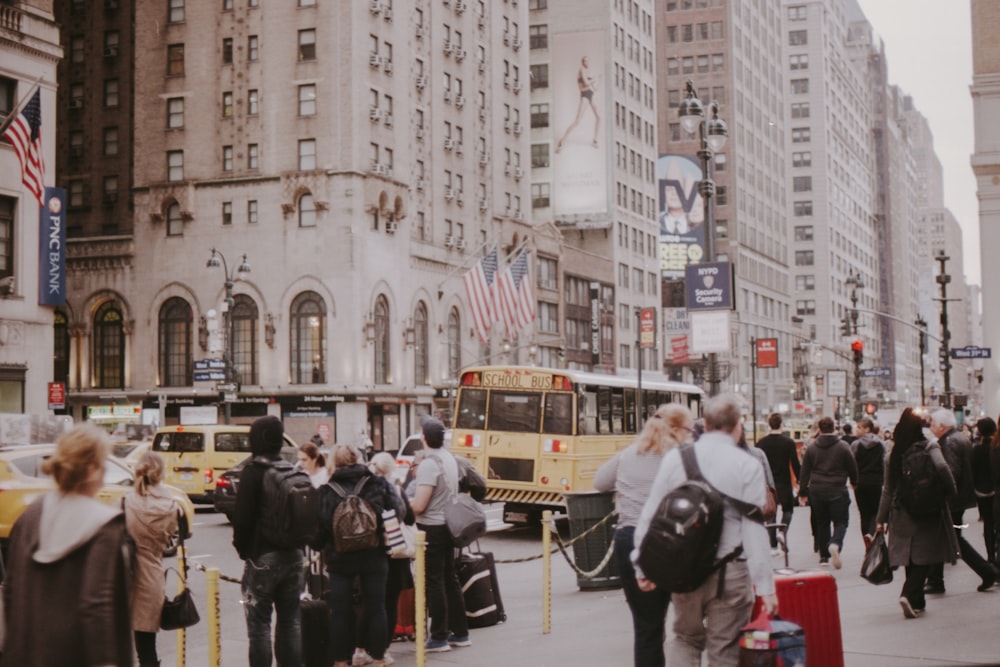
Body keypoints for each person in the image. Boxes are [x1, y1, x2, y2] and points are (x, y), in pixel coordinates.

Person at [632, 394, 778, 666]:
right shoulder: (747, 464)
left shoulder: (677, 459)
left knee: (684, 638)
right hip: (731, 573)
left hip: (685, 569)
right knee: (724, 649)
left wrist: (642, 565)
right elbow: (754, 530)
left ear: (706, 424)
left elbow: (652, 514)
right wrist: (766, 587)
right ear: (738, 426)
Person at [1, 423, 134, 666]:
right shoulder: (104, 525)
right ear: (93, 470)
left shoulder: (31, 516)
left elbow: (10, 591)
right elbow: (97, 605)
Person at [593, 403, 694, 667]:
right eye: (688, 429)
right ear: (675, 428)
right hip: (672, 543)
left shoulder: (628, 454)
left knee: (647, 627)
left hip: (629, 539)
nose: (690, 435)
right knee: (689, 628)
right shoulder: (682, 457)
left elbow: (600, 482)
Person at [312, 444, 401, 667]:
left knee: (340, 612)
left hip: (339, 558)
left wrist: (320, 545)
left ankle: (341, 661)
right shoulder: (378, 484)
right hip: (374, 555)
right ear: (359, 459)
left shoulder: (326, 490)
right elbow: (399, 511)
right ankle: (379, 658)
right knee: (377, 608)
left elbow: (318, 531)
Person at [232, 415, 305, 667]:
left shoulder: (254, 471)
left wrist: (244, 551)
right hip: (295, 557)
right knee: (291, 622)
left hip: (262, 558)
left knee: (259, 627)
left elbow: (241, 520)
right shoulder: (290, 468)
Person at [875, 408, 959, 618]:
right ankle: (908, 593)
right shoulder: (929, 446)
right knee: (927, 555)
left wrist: (880, 519)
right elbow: (943, 468)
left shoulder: (893, 453)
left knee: (910, 555)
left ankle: (917, 601)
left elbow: (887, 489)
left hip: (902, 510)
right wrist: (949, 492)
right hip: (928, 507)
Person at [409, 417, 470, 653]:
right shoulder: (449, 458)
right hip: (448, 525)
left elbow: (421, 505)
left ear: (424, 437)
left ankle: (439, 636)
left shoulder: (429, 463)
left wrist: (405, 504)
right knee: (449, 578)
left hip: (431, 528)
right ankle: (461, 632)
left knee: (434, 581)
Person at [924, 408, 996, 594]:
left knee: (951, 537)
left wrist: (940, 492)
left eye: (933, 424)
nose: (931, 427)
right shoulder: (959, 438)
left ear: (941, 426)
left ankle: (986, 571)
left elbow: (951, 471)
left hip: (951, 500)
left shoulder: (948, 442)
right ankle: (936, 579)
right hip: (960, 498)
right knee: (948, 537)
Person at [124, 450, 180, 667]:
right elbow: (168, 540)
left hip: (124, 577)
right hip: (151, 579)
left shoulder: (126, 502)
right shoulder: (171, 506)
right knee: (147, 648)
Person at [368, 451, 414, 666]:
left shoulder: (367, 490)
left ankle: (368, 646)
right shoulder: (397, 489)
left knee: (373, 603)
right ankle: (383, 649)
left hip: (375, 552)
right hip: (396, 552)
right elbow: (409, 517)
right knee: (390, 602)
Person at [797, 416, 858, 569]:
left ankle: (823, 556)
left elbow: (804, 472)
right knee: (841, 521)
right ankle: (835, 543)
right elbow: (852, 467)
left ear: (819, 429)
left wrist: (803, 491)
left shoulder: (812, 447)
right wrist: (854, 482)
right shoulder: (843, 447)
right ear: (834, 428)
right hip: (837, 489)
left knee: (822, 522)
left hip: (817, 490)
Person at [756, 413, 801, 553]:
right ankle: (782, 531)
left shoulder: (761, 443)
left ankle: (773, 546)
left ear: (769, 425)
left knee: (771, 513)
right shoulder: (788, 443)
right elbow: (795, 463)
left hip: (767, 484)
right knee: (788, 510)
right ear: (781, 424)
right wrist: (800, 481)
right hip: (784, 482)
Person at [851, 417, 886, 541]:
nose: (857, 429)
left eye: (859, 427)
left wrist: (852, 480)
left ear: (867, 429)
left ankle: (866, 535)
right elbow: (884, 462)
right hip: (876, 482)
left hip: (860, 482)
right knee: (875, 511)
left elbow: (852, 463)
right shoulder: (881, 443)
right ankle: (871, 534)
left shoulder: (856, 444)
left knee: (863, 513)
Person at [555, 56, 601, 152]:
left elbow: (595, 88)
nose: (587, 62)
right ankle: (562, 141)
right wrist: (595, 78)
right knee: (577, 121)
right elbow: (586, 83)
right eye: (585, 61)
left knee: (599, 117)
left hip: (590, 94)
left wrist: (599, 80)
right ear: (582, 62)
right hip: (584, 95)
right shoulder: (581, 70)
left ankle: (595, 140)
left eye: (588, 61)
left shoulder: (587, 71)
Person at [972, 417, 996, 562]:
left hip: (982, 493)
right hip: (996, 491)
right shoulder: (996, 447)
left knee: (988, 525)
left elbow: (973, 472)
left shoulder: (977, 450)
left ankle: (991, 556)